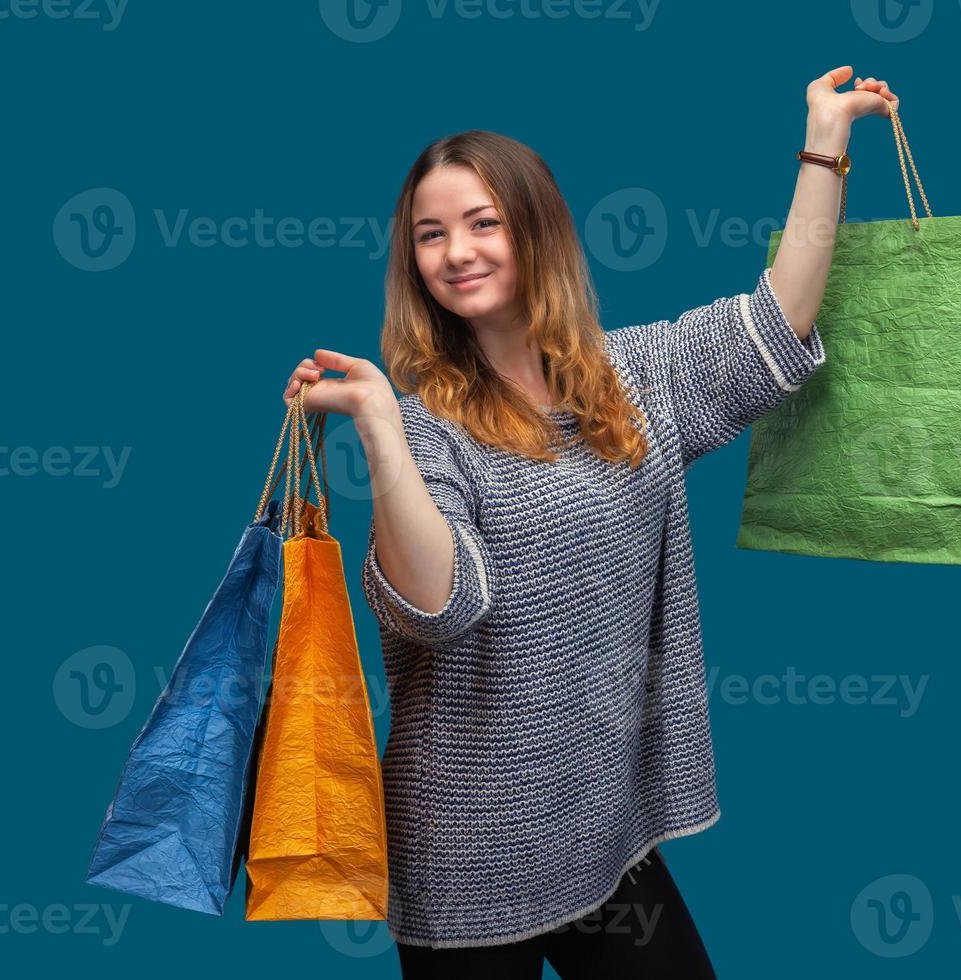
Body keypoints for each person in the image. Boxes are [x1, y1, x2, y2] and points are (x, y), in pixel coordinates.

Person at [281, 66, 897, 979]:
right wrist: (380, 426)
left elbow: (777, 324)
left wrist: (825, 139)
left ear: (537, 231)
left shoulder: (634, 379)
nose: (457, 252)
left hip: (603, 824)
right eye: (431, 235)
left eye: (483, 222)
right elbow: (441, 606)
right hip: (469, 856)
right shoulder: (424, 425)